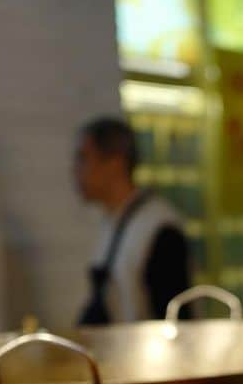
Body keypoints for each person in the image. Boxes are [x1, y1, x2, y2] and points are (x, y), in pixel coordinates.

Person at [73, 117, 190, 324]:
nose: (76, 170)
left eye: (84, 158)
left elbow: (176, 317)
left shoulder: (159, 227)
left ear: (115, 164)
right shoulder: (112, 222)